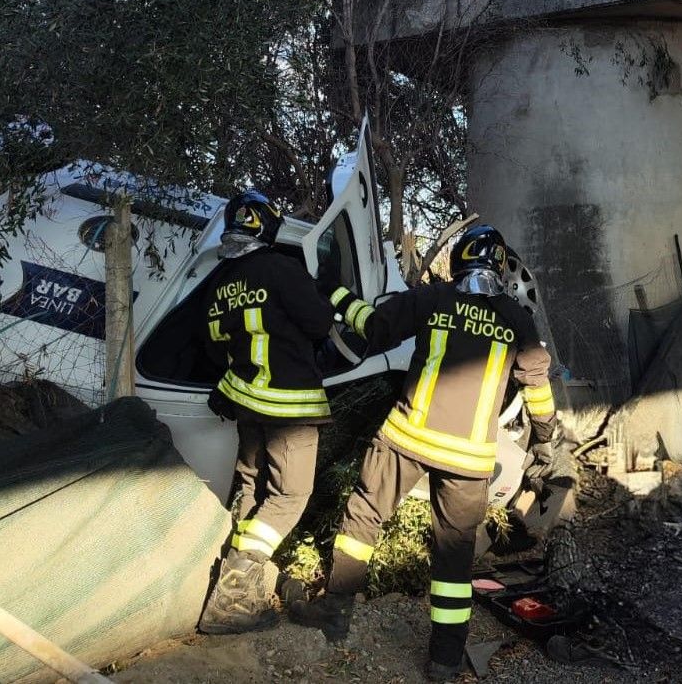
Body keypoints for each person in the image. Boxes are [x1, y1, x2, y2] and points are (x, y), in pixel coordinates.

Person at [290, 224, 560, 681]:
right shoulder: (516, 318)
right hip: (469, 459)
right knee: (454, 555)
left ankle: (336, 611)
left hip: (407, 440)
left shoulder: (433, 299)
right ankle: (445, 659)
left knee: (364, 517)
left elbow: (373, 326)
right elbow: (536, 382)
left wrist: (334, 291)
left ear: (458, 260)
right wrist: (545, 436)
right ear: (499, 269)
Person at [197, 190, 335, 635]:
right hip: (289, 407)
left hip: (248, 404)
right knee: (289, 497)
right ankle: (233, 597)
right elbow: (319, 323)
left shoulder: (219, 282)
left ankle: (236, 582)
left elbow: (213, 345)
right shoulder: (280, 268)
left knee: (251, 489)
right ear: (269, 227)